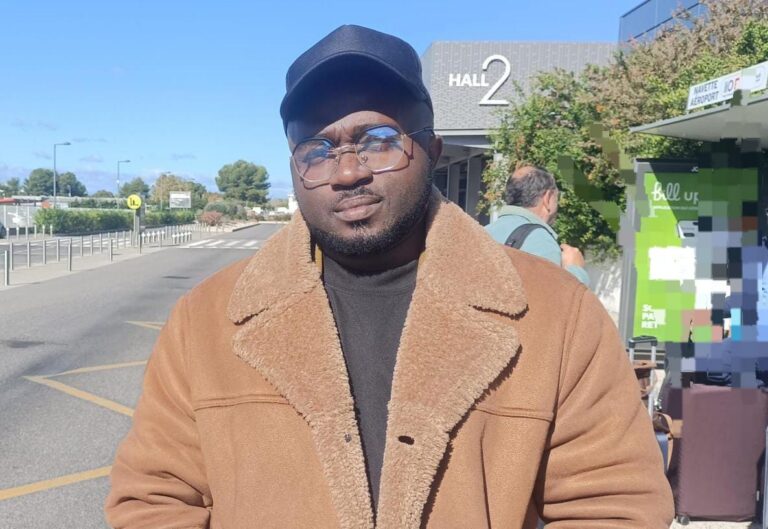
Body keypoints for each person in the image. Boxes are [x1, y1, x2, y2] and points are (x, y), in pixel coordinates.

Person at [105, 25, 673, 529]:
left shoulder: (554, 315)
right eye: (317, 150)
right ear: (294, 169)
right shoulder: (207, 321)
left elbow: (614, 505)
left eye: (377, 141)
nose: (347, 171)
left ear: (432, 149)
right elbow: (153, 499)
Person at [485, 165, 590, 286]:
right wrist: (576, 270)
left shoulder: (483, 232)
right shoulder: (541, 241)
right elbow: (552, 296)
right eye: (557, 197)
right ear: (548, 198)